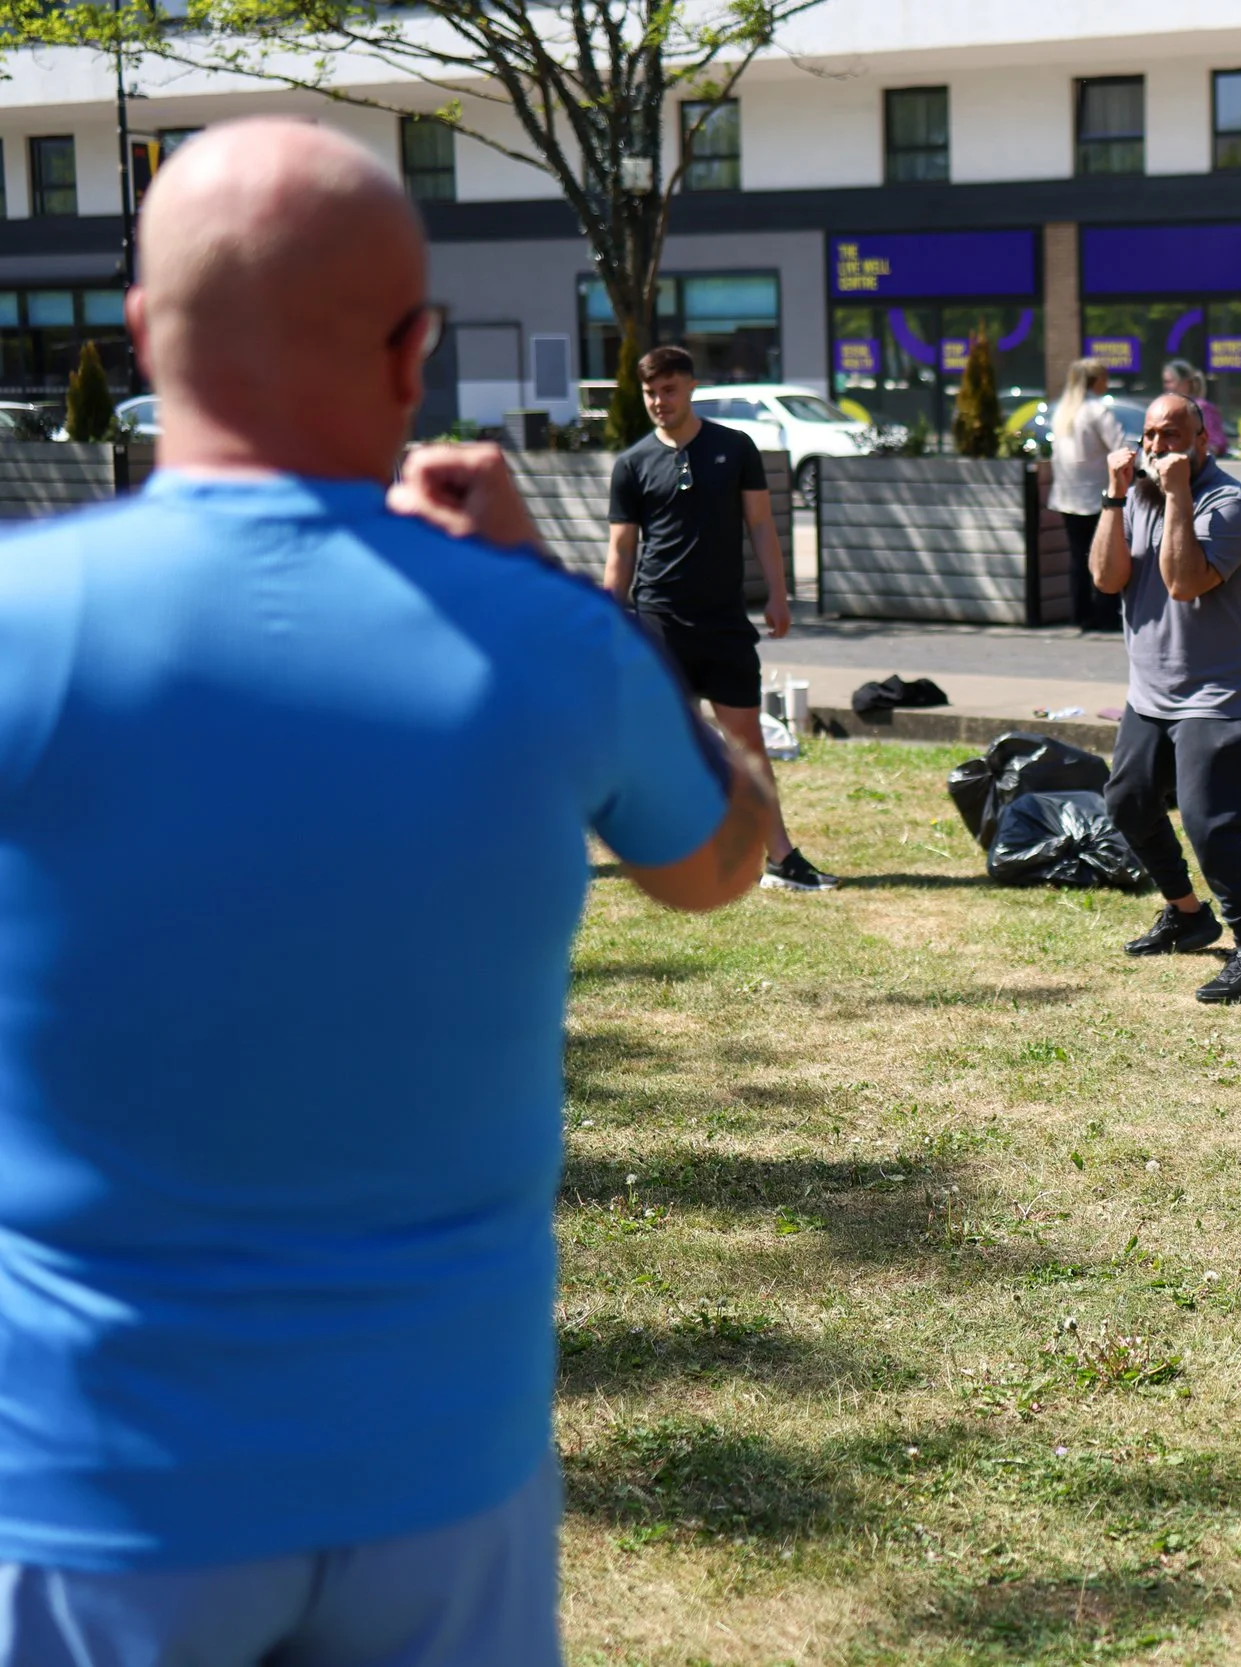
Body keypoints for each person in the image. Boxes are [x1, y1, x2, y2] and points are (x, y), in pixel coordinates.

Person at [0, 118, 771, 1661]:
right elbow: (726, 854)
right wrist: (552, 586)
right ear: (414, 352)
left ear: (144, 339)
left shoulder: (22, 623)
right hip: (445, 1467)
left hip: (100, 1481)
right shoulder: (549, 645)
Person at [606, 345, 831, 891]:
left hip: (725, 621)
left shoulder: (735, 447)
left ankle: (781, 858)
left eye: (669, 389)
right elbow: (621, 551)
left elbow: (760, 526)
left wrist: (779, 595)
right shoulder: (632, 464)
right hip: (660, 619)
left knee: (746, 741)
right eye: (650, 392)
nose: (660, 401)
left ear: (691, 387)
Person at [1090, 393, 1241, 1005]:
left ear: (1203, 440)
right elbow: (1105, 577)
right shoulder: (1137, 497)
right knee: (1127, 801)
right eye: (1149, 434)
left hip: (1219, 691)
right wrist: (1115, 497)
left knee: (1210, 823)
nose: (1156, 446)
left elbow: (1183, 582)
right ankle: (1187, 912)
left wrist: (1175, 495)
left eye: (1172, 435)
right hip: (1152, 689)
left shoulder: (1231, 504)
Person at [1048, 356, 1125, 631]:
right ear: (1096, 380)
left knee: (1078, 556)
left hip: (1067, 495)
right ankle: (1105, 614)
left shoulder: (1062, 411)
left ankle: (1080, 613)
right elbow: (1118, 447)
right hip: (1098, 494)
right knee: (1106, 555)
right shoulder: (1097, 410)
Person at [1162, 356, 1227, 457]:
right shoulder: (1165, 408)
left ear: (1185, 383)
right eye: (1164, 382)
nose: (1165, 387)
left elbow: (1217, 443)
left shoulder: (1202, 408)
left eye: (1169, 382)